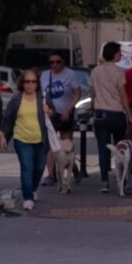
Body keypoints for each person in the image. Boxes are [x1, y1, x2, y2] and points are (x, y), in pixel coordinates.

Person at [0, 69, 48, 211]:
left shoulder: (43, 98)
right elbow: (8, 119)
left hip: (41, 140)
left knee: (39, 168)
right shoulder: (16, 99)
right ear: (22, 83)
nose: (30, 85)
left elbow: (54, 114)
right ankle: (28, 198)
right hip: (22, 140)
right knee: (27, 168)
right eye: (27, 81)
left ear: (37, 83)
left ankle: (32, 189)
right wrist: (4, 135)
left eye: (33, 81)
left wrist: (49, 111)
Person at [90, 42, 132, 193]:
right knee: (119, 147)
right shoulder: (119, 72)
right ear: (114, 54)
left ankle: (104, 182)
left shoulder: (95, 71)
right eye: (119, 52)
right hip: (116, 114)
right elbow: (123, 95)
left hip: (100, 113)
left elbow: (92, 92)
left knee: (103, 149)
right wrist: (129, 115)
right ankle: (121, 180)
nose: (121, 55)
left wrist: (92, 108)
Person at [39, 54, 80, 186]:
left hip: (65, 114)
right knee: (51, 146)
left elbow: (78, 93)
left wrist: (69, 108)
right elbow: (41, 94)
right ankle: (51, 175)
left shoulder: (70, 74)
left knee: (66, 146)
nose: (54, 65)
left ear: (63, 62)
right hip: (50, 114)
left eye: (58, 62)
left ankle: (73, 168)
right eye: (52, 62)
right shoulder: (45, 75)